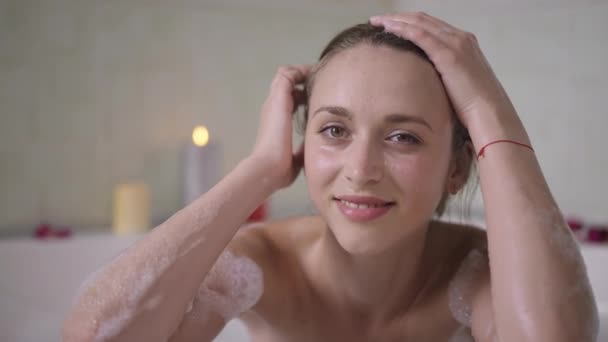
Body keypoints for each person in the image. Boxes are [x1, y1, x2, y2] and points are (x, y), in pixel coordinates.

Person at [63, 12, 598, 342]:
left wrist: (485, 103)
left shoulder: (477, 276)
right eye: (335, 130)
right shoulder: (260, 266)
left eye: (403, 137)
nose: (360, 170)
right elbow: (94, 338)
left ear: (457, 167)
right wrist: (259, 172)